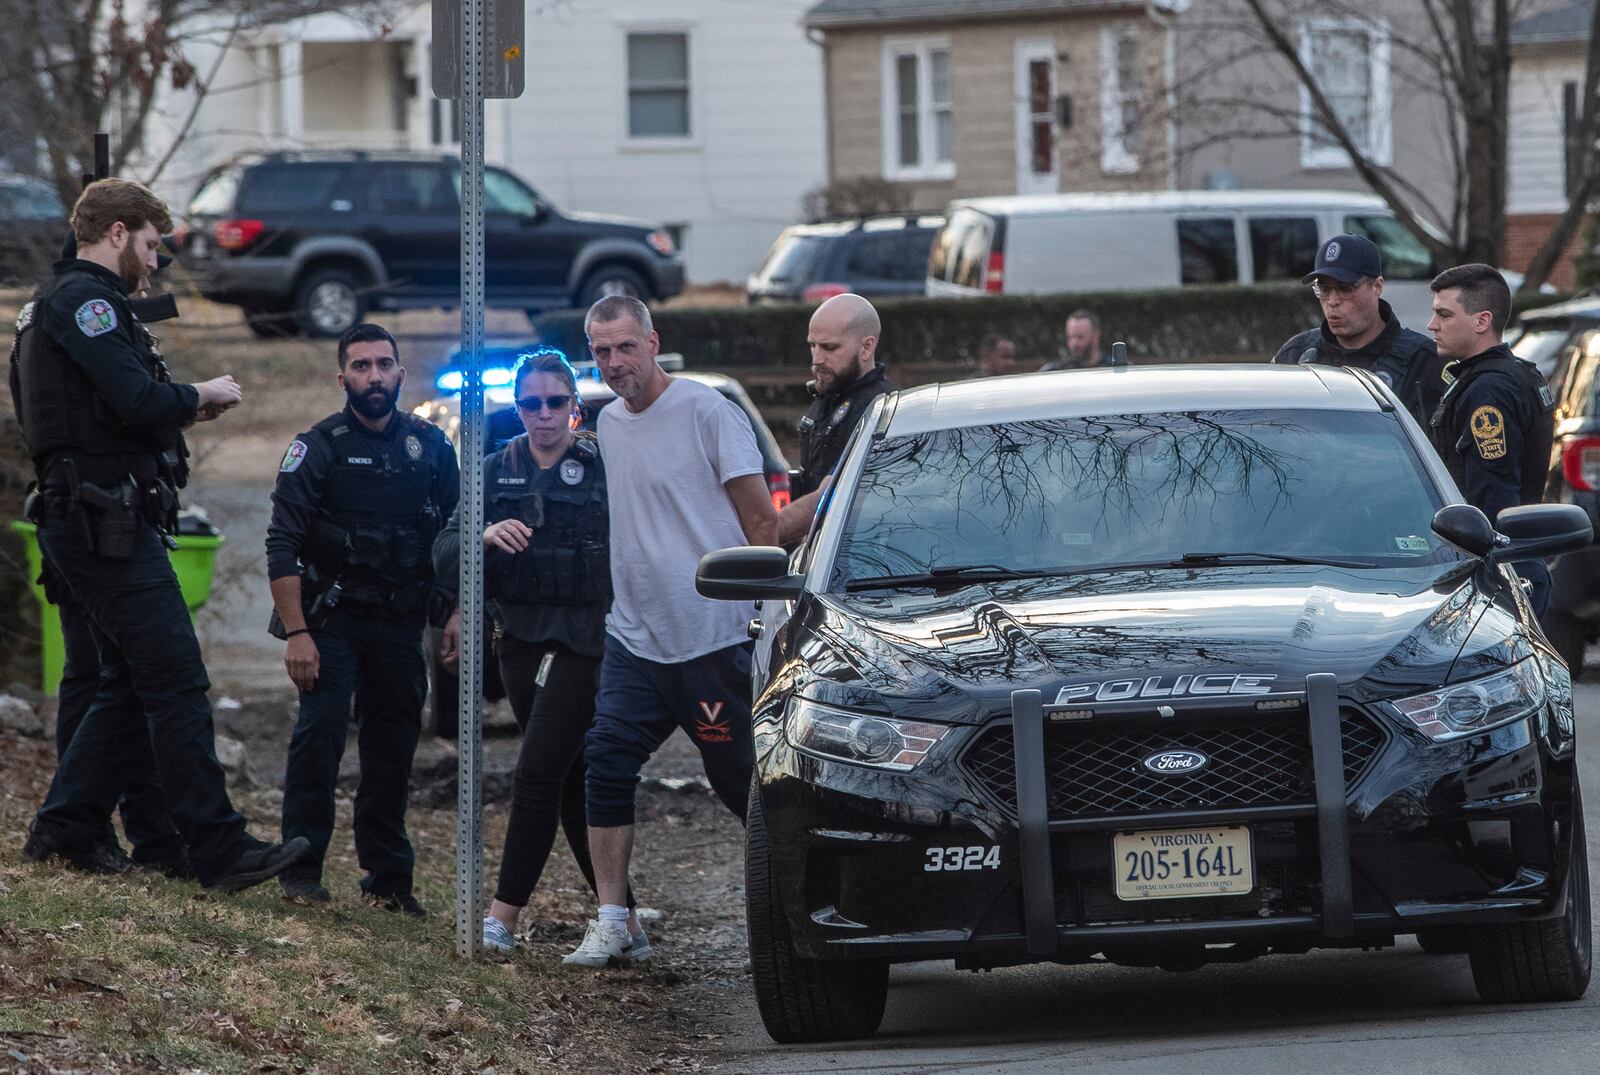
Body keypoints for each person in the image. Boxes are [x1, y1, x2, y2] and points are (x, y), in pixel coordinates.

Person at [9, 177, 307, 891]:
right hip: (100, 520)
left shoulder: (55, 306)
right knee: (173, 677)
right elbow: (135, 397)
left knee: (125, 681)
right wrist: (197, 396)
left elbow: (97, 409)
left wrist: (169, 413)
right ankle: (217, 845)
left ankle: (70, 826)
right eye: (149, 242)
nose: (155, 257)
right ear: (117, 233)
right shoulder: (84, 303)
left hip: (93, 514)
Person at [565, 295, 778, 968]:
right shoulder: (608, 424)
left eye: (625, 347)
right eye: (601, 351)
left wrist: (764, 614)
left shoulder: (709, 411)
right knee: (605, 760)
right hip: (636, 636)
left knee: (740, 779)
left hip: (714, 634)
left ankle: (800, 898)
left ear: (653, 342)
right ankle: (613, 919)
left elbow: (762, 524)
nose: (614, 362)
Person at [432, 349, 644, 956]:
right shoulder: (493, 471)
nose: (544, 415)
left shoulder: (603, 466)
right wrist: (483, 534)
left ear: (575, 409)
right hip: (519, 637)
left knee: (536, 773)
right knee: (570, 780)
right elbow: (443, 555)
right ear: (517, 407)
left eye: (556, 403)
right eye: (531, 404)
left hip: (588, 638)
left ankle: (500, 918)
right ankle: (626, 922)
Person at [265, 322, 459, 914]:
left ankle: (388, 882)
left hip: (402, 623)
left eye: (383, 365)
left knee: (393, 750)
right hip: (333, 622)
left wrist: (453, 613)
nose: (373, 376)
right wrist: (298, 632)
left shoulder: (431, 447)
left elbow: (457, 539)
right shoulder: (317, 446)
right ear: (342, 376)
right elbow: (281, 543)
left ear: (400, 372)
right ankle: (300, 867)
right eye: (361, 366)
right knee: (319, 742)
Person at [1426, 264, 1557, 614]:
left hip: (1497, 573)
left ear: (1482, 321)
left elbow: (1490, 501)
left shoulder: (1490, 391)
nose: (1432, 324)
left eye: (1444, 314)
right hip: (1513, 564)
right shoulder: (1506, 376)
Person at [1271, 233, 1444, 427]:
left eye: (1345, 288)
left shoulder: (1422, 362)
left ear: (1377, 287)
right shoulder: (1295, 355)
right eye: (1324, 289)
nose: (1333, 301)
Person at [776, 293, 897, 546]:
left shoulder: (880, 409)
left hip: (857, 555)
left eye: (829, 348)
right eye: (812, 345)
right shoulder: (827, 397)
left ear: (866, 347)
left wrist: (760, 536)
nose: (817, 359)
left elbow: (828, 497)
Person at [1041, 309, 1110, 371]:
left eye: (1080, 337)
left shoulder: (1112, 369)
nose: (1074, 343)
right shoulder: (1056, 371)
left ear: (1095, 336)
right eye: (1071, 337)